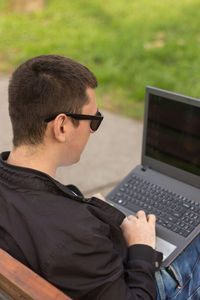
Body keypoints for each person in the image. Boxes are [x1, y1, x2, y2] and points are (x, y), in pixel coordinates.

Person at [0, 55, 199, 300]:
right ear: (61, 126)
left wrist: (83, 206)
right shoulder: (77, 236)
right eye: (93, 120)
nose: (93, 130)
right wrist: (141, 247)